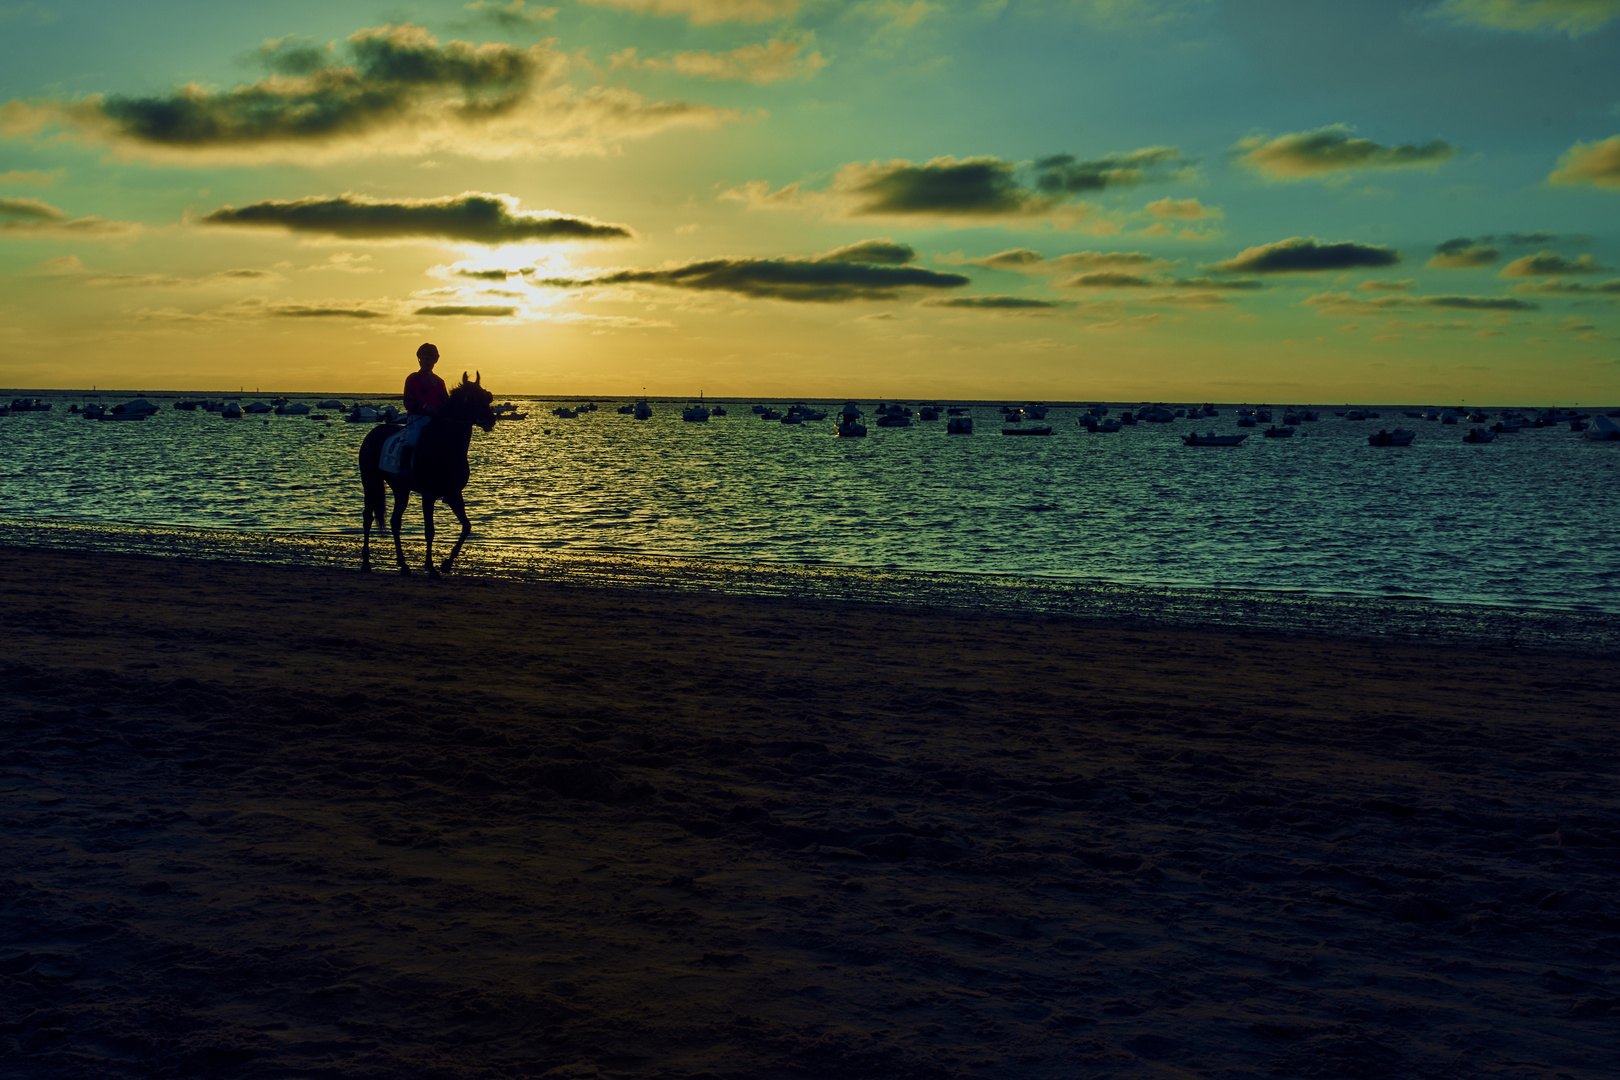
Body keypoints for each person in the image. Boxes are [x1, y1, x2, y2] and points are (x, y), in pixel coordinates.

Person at [399, 343, 448, 478]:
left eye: (429, 359)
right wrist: (426, 407)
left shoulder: (440, 382)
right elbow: (408, 402)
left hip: (435, 420)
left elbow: (445, 404)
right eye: (423, 359)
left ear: (434, 361)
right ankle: (402, 471)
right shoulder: (412, 379)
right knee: (412, 439)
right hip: (416, 417)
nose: (425, 362)